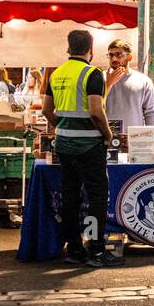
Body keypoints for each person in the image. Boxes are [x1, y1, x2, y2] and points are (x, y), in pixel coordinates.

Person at [42, 29, 121, 268]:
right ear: (90, 49)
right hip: (89, 146)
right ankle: (96, 249)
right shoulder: (91, 74)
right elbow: (96, 111)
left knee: (71, 196)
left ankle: (74, 248)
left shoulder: (56, 74)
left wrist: (63, 126)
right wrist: (108, 135)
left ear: (69, 48)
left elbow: (47, 110)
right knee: (97, 197)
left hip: (64, 145)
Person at [104, 38, 154, 130]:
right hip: (106, 138)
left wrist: (150, 138)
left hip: (135, 139)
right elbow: (93, 107)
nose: (114, 59)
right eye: (111, 55)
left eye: (118, 55)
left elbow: (150, 113)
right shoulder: (100, 78)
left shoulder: (143, 81)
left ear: (129, 57)